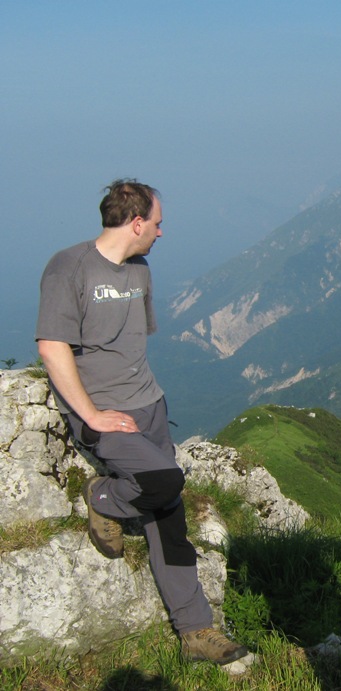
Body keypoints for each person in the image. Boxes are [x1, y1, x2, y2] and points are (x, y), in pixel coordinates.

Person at [35, 179, 248, 666]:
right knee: (165, 480)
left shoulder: (139, 270)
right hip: (104, 411)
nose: (160, 232)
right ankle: (102, 497)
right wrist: (90, 414)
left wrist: (152, 403)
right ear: (136, 223)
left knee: (169, 512)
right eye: (157, 223)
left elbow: (130, 344)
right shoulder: (69, 267)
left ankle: (195, 630)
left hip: (149, 404)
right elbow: (51, 346)